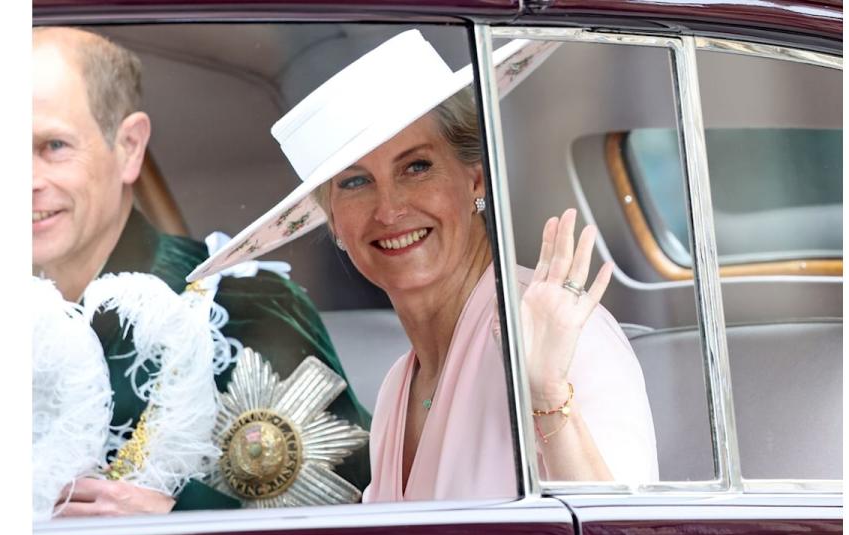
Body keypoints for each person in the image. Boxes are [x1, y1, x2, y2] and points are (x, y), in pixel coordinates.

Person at [191, 30, 657, 502]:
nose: (389, 210)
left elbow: (631, 532)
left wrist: (548, 397)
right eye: (355, 182)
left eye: (416, 167)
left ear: (476, 178)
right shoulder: (400, 386)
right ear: (333, 222)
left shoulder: (561, 336)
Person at [32, 27, 371, 515]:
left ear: (128, 148)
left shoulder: (244, 309)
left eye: (54, 146)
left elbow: (350, 517)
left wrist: (178, 522)